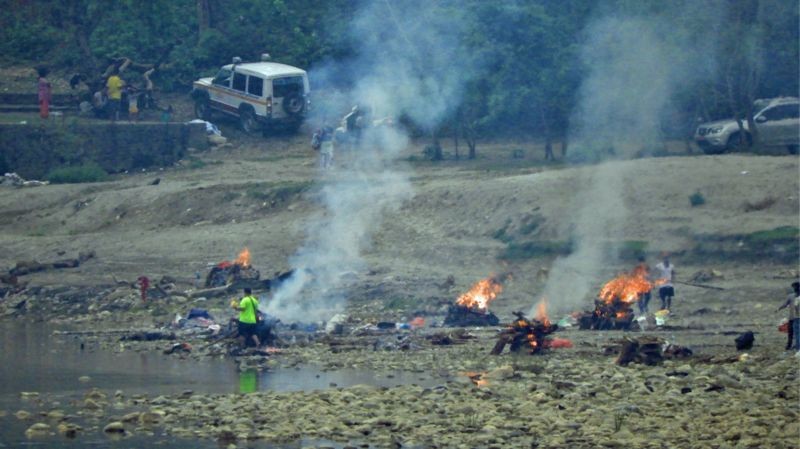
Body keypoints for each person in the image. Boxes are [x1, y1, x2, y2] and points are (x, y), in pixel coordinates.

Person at [778, 281, 800, 351]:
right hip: (792, 317)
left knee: (796, 333)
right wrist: (779, 308)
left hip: (796, 317)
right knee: (791, 332)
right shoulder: (791, 296)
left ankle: (797, 347)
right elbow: (785, 304)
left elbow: (786, 304)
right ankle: (790, 345)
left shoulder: (793, 296)